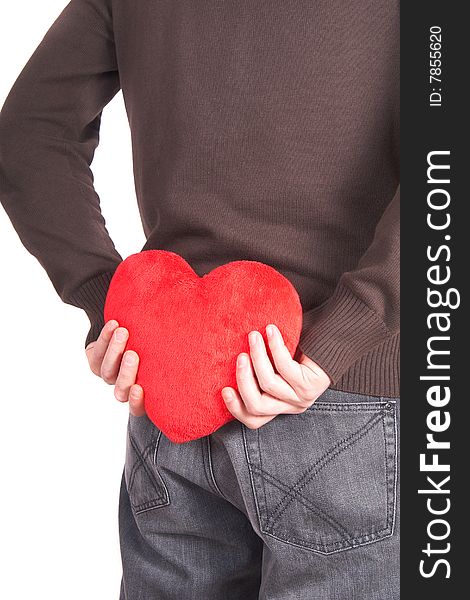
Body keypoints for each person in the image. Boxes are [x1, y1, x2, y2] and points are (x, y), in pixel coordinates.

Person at [0, 1, 400, 598]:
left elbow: (28, 130)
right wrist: (344, 333)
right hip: (348, 403)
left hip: (170, 400)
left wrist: (119, 306)